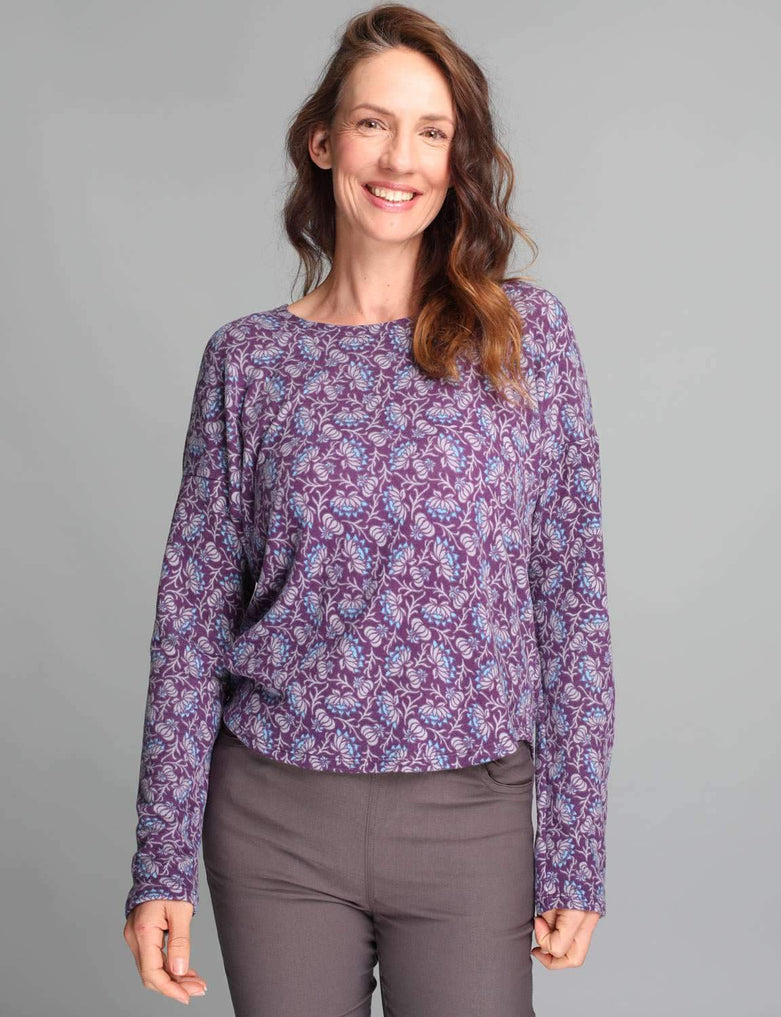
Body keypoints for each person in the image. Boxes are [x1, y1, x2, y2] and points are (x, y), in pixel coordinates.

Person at [122, 5, 615, 1015]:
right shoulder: (249, 363)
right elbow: (191, 616)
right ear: (323, 141)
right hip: (275, 822)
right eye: (373, 124)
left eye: (431, 131)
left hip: (470, 816)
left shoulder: (524, 341)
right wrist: (159, 862)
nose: (400, 160)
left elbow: (570, 597)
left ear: (456, 158)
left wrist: (575, 849)